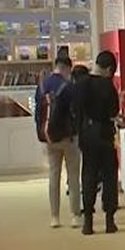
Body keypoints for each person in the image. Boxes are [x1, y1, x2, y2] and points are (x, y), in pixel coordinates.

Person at [76, 51, 121, 235]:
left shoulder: (81, 83)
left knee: (89, 174)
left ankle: (88, 221)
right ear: (109, 69)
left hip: (87, 134)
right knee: (109, 175)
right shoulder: (108, 86)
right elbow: (113, 111)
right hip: (104, 134)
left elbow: (76, 110)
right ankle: (110, 220)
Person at [35, 56, 81, 229]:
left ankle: (54, 217)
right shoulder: (69, 87)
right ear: (67, 68)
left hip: (50, 137)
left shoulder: (41, 85)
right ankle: (75, 216)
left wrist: (43, 133)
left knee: (53, 175)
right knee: (73, 177)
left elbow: (38, 113)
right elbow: (75, 111)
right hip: (68, 137)